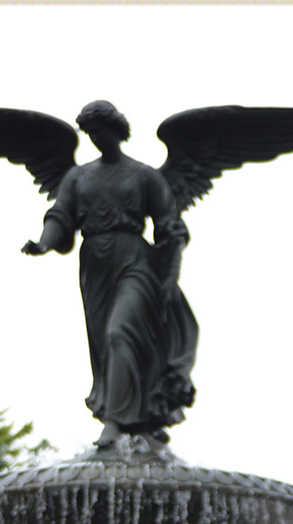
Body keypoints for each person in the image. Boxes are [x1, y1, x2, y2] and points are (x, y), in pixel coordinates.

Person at [25, 101, 198, 446]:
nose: (95, 138)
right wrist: (44, 243)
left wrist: (170, 274)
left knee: (121, 332)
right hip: (94, 264)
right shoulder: (78, 176)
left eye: (100, 130)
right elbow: (61, 215)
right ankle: (145, 417)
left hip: (135, 259)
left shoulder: (145, 176)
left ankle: (114, 422)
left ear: (116, 129)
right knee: (105, 343)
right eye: (89, 133)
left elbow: (169, 225)